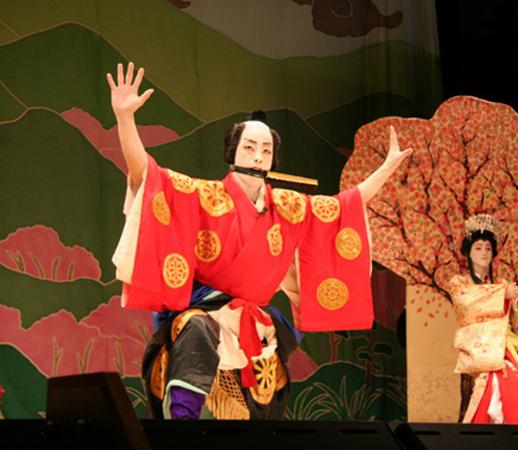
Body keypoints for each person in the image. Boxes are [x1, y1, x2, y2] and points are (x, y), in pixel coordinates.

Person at [107, 63, 413, 419]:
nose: (258, 156)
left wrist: (386, 168)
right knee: (196, 331)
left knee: (278, 339)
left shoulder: (287, 206)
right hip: (203, 310)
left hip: (253, 317)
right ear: (232, 152)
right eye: (250, 147)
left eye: (266, 150)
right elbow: (146, 174)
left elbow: (344, 205)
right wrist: (125, 118)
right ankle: (181, 424)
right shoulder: (204, 195)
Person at [449, 214, 518, 424]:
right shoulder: (460, 282)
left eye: (488, 248)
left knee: (517, 384)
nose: (484, 252)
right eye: (478, 248)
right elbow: (465, 302)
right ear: (469, 252)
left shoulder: (501, 283)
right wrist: (502, 294)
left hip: (504, 347)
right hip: (480, 349)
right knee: (497, 385)